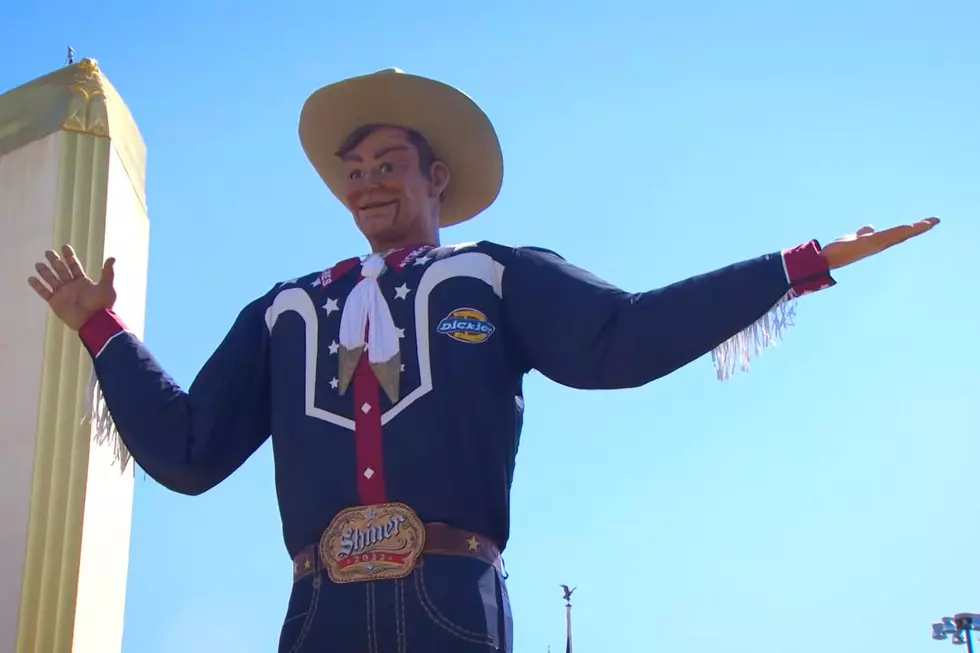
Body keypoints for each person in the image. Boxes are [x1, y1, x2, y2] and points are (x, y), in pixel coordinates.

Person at [26, 68, 938, 652]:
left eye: (390, 163)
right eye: (354, 171)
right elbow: (188, 448)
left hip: (450, 598)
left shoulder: (493, 278)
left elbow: (623, 336)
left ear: (438, 180)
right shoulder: (285, 312)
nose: (369, 181)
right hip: (319, 613)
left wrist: (798, 265)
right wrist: (101, 331)